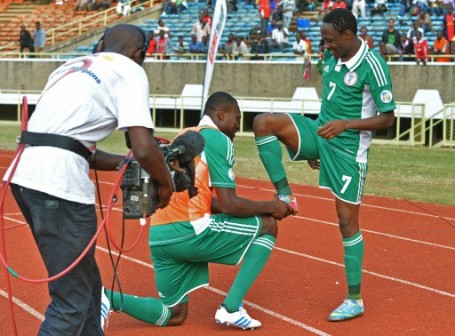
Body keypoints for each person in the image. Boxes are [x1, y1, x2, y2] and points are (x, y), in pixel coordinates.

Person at [3, 24, 175, 335]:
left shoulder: (68, 68)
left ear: (99, 45)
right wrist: (166, 183)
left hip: (25, 178)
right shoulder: (130, 70)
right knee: (71, 303)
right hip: (58, 186)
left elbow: (71, 144)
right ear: (141, 54)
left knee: (90, 288)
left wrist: (125, 162)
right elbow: (143, 146)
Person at [104, 91, 294, 330]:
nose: (237, 127)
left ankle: (107, 297)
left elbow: (205, 200)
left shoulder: (184, 135)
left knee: (174, 314)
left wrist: (270, 205)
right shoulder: (217, 140)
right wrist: (272, 207)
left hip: (161, 237)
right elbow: (229, 205)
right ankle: (232, 308)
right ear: (221, 114)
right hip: (190, 230)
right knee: (268, 225)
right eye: (236, 118)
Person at [252, 9, 395, 322]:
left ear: (346, 35)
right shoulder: (331, 57)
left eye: (330, 40)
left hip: (347, 149)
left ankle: (355, 299)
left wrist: (346, 125)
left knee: (346, 223)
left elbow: (388, 117)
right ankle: (285, 194)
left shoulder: (373, 64)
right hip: (322, 132)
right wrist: (316, 142)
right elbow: (330, 101)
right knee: (263, 123)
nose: (325, 45)